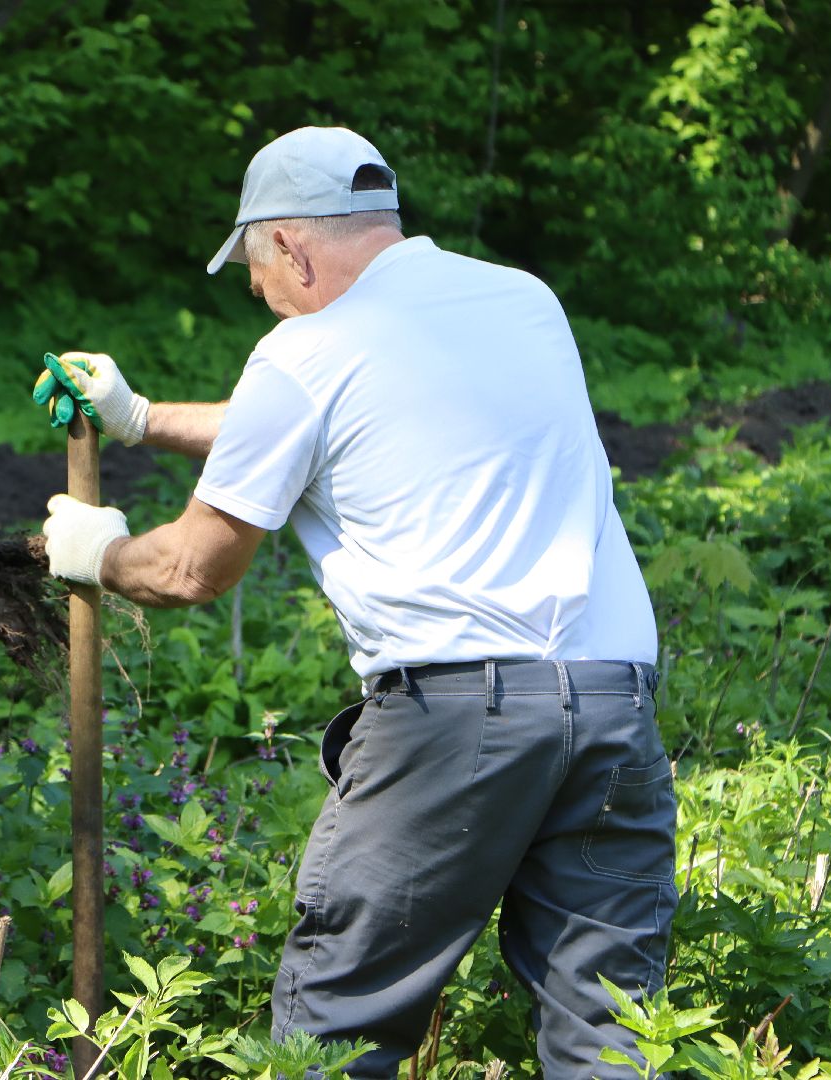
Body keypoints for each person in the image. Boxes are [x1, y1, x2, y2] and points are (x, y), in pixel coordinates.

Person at [39, 127, 674, 1078]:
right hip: (615, 705)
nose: (263, 297)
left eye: (259, 273)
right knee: (609, 1030)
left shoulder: (306, 353)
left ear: (291, 245)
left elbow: (190, 569)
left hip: (458, 724)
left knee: (340, 1024)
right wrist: (141, 419)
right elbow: (321, 418)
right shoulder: (523, 303)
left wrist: (98, 551)